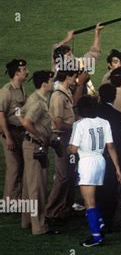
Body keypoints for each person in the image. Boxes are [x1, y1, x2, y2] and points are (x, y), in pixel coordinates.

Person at [68, 96, 121, 247]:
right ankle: (99, 223)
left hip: (87, 162)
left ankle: (96, 237)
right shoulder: (104, 122)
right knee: (93, 198)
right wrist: (117, 168)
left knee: (88, 201)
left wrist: (64, 147)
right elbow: (111, 146)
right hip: (101, 161)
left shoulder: (79, 124)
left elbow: (73, 149)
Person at [19, 71, 57, 235]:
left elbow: (19, 114)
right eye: (51, 81)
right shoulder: (39, 103)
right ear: (44, 84)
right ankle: (39, 226)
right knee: (37, 188)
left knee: (29, 186)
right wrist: (40, 135)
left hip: (29, 145)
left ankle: (27, 221)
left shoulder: (35, 98)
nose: (53, 83)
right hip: (36, 146)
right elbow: (27, 122)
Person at [45, 69, 78, 223]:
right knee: (63, 175)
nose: (76, 79)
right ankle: (51, 211)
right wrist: (76, 127)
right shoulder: (58, 96)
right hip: (61, 138)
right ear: (67, 77)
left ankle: (64, 209)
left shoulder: (67, 92)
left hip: (68, 137)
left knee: (70, 174)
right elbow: (58, 123)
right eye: (74, 76)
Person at [96, 83, 121, 230]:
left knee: (96, 189)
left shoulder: (94, 112)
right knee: (109, 189)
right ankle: (107, 222)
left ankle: (96, 220)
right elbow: (119, 138)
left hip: (94, 155)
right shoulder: (115, 114)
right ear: (114, 97)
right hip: (109, 156)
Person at [0, 59, 28, 200]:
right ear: (17, 73)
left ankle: (19, 197)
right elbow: (1, 115)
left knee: (22, 165)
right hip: (9, 133)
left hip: (20, 132)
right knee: (14, 167)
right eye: (24, 70)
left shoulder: (22, 87)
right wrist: (8, 137)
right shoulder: (6, 91)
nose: (27, 72)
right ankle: (9, 200)